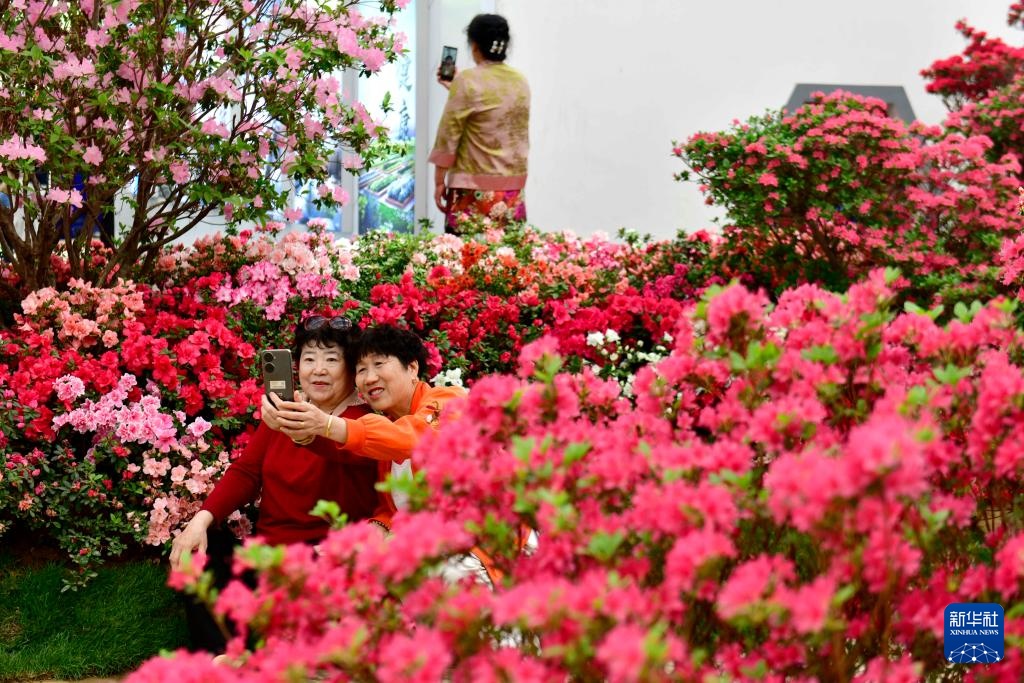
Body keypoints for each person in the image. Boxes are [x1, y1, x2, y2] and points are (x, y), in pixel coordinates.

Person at [169, 314, 389, 652]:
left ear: (350, 369)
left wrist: (307, 432)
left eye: (332, 360)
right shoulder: (283, 412)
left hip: (322, 557)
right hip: (268, 553)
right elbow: (247, 472)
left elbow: (348, 453)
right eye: (309, 359)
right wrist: (201, 519)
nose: (318, 369)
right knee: (201, 551)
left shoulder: (364, 422)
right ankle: (218, 660)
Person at [429, 13, 530, 234]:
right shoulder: (521, 82)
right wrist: (456, 89)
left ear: (474, 45)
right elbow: (493, 114)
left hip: (471, 194)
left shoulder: (467, 81)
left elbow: (448, 135)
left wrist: (439, 181)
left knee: (469, 261)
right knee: (508, 262)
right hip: (512, 193)